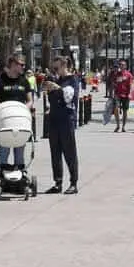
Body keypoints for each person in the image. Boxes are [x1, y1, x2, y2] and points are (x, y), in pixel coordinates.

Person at [42, 56, 79, 194]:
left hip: (66, 119)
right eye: (54, 68)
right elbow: (49, 95)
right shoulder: (56, 79)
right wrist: (48, 85)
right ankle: (58, 182)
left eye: (57, 68)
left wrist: (56, 88)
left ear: (64, 66)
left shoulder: (72, 79)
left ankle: (73, 183)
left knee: (69, 152)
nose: (55, 71)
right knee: (55, 152)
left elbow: (69, 97)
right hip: (54, 118)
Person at [0, 55, 33, 169]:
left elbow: (30, 101)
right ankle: (2, 171)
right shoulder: (0, 81)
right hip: (5, 121)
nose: (23, 67)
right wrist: (2, 107)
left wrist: (24, 108)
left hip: (19, 120)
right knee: (4, 147)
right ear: (13, 65)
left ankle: (20, 171)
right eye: (21, 64)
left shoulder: (24, 81)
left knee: (19, 150)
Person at [112, 60, 134, 133]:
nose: (121, 66)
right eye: (120, 65)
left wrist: (130, 94)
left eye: (122, 65)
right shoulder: (116, 74)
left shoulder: (129, 75)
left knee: (125, 111)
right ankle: (118, 125)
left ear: (125, 66)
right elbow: (114, 83)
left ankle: (123, 126)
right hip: (118, 94)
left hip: (126, 94)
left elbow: (130, 85)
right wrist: (113, 90)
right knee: (116, 109)